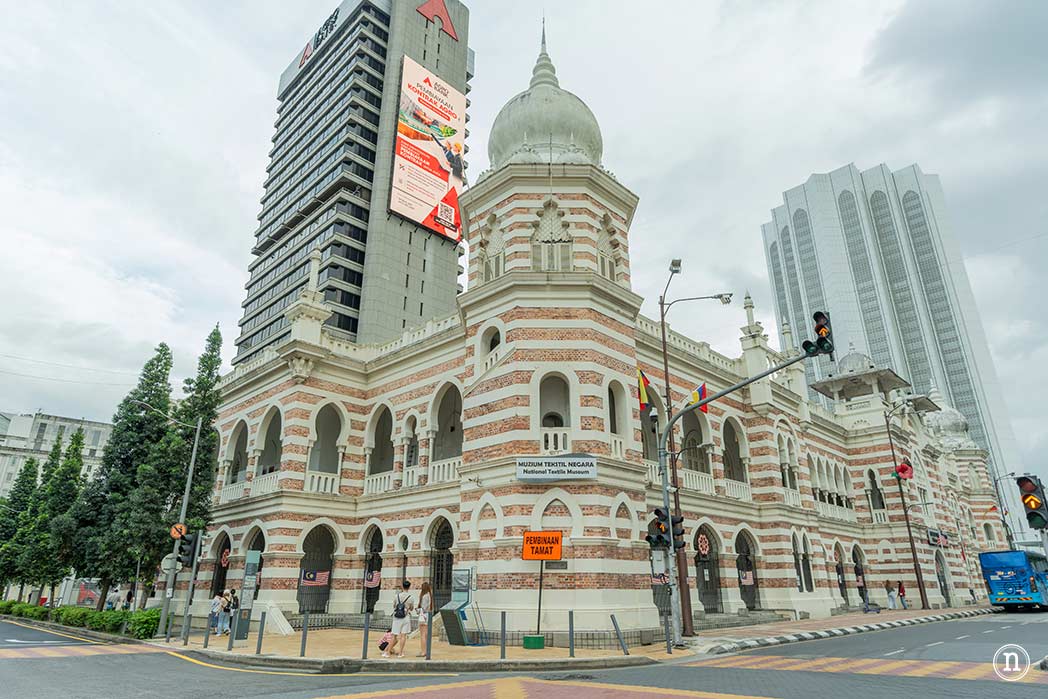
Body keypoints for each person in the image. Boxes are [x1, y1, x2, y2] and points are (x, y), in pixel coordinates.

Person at [384, 580, 415, 658]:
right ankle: (400, 653)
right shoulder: (411, 597)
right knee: (403, 636)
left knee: (394, 636)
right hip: (406, 617)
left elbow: (394, 606)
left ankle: (387, 652)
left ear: (402, 586)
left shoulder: (397, 596)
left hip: (397, 618)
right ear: (409, 587)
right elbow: (411, 608)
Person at [416, 582, 433, 658]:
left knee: (422, 635)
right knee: (425, 635)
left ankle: (423, 651)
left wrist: (418, 610)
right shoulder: (429, 595)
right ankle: (425, 650)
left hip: (423, 616)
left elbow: (423, 608)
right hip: (428, 616)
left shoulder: (424, 596)